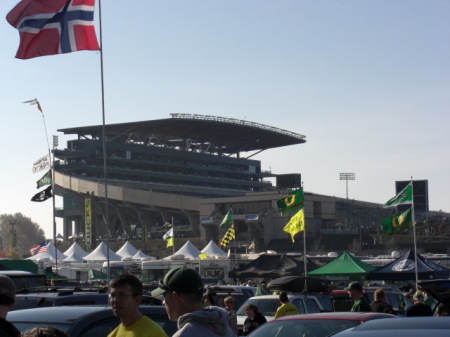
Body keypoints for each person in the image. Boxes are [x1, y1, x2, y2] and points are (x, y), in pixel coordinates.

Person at [151, 266, 235, 337]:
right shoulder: (226, 330)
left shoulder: (184, 335)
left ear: (175, 297)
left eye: (165, 297)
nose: (163, 303)